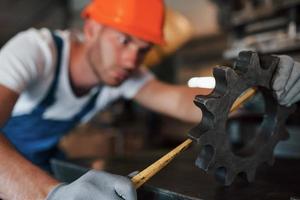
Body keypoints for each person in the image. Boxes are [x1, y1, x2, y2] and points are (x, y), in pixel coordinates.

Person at [0, 0, 298, 199]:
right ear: (91, 30)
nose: (133, 59)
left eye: (143, 49)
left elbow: (185, 103)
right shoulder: (35, 51)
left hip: (45, 166)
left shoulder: (120, 74)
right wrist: (52, 193)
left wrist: (261, 86)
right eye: (124, 40)